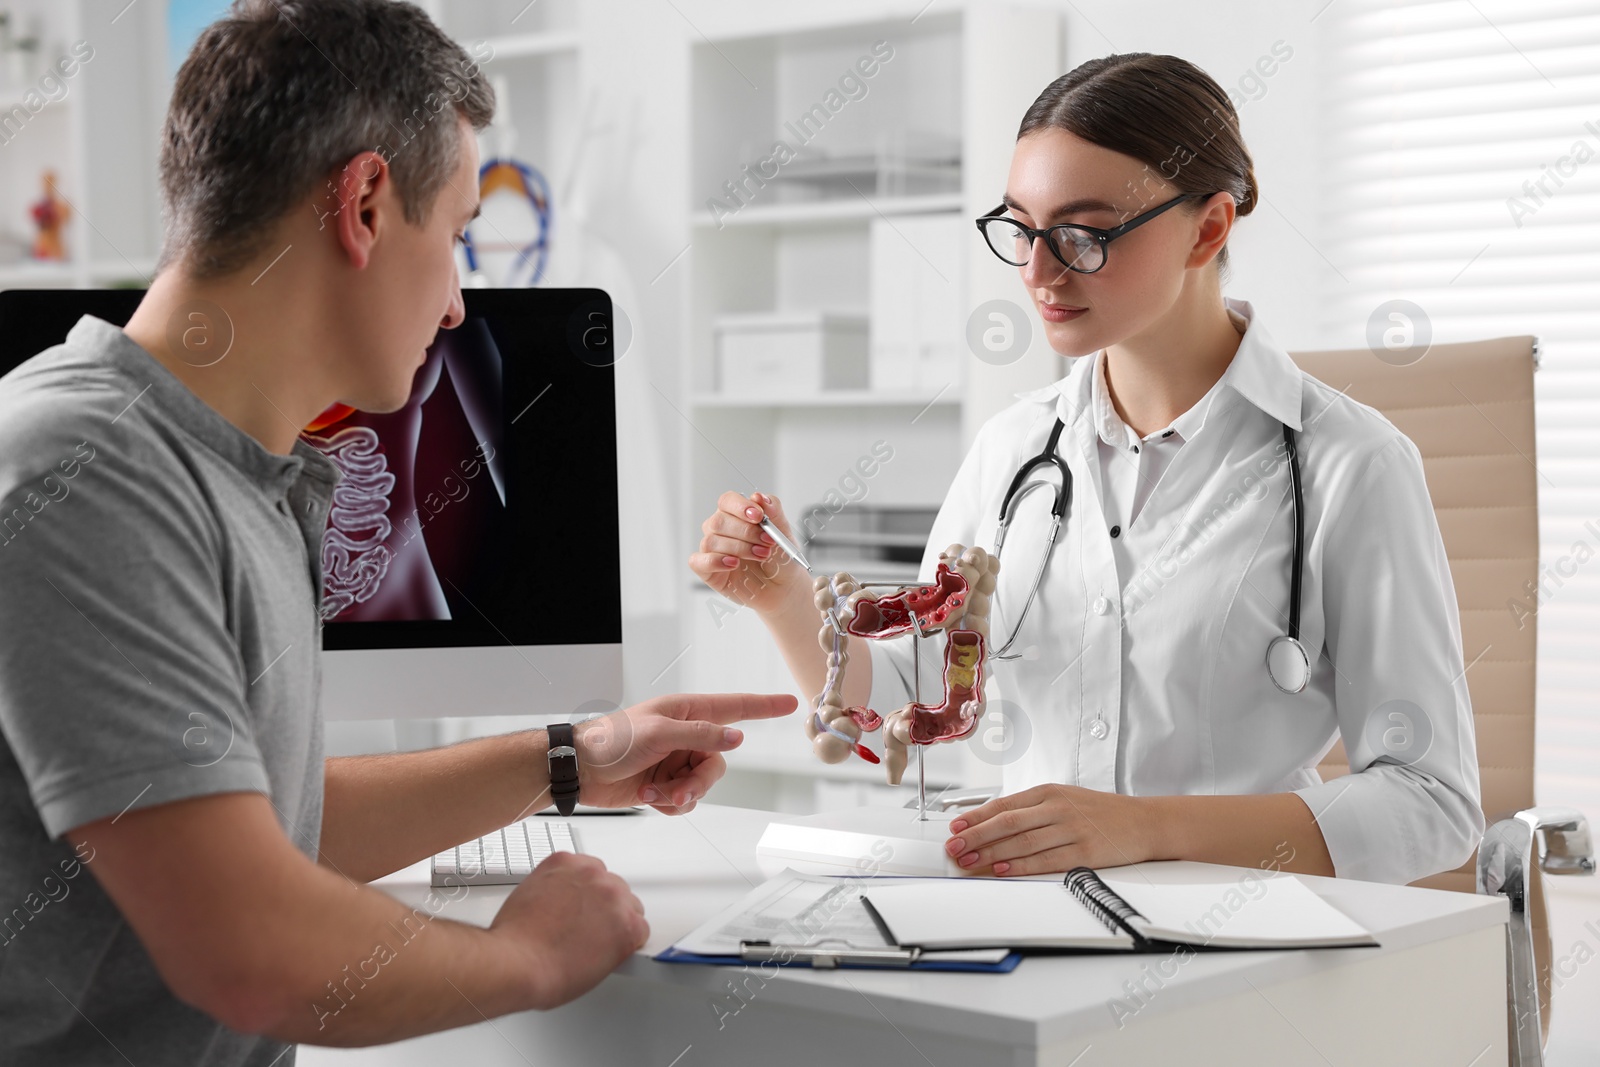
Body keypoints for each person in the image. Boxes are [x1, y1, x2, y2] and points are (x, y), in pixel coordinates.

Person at [0, 2, 794, 1063]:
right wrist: (532, 957)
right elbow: (251, 945)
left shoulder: (244, 471)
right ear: (365, 203)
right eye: (458, 233)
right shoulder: (79, 470)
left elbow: (262, 823)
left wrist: (570, 758)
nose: (461, 302)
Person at [693, 53, 1483, 888]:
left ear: (1210, 228)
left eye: (1084, 233)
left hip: (1236, 946)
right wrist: (781, 594)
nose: (1037, 271)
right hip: (1022, 927)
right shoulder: (1013, 452)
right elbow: (913, 694)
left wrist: (1143, 828)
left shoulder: (1351, 465)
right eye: (1022, 228)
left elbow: (1430, 805)